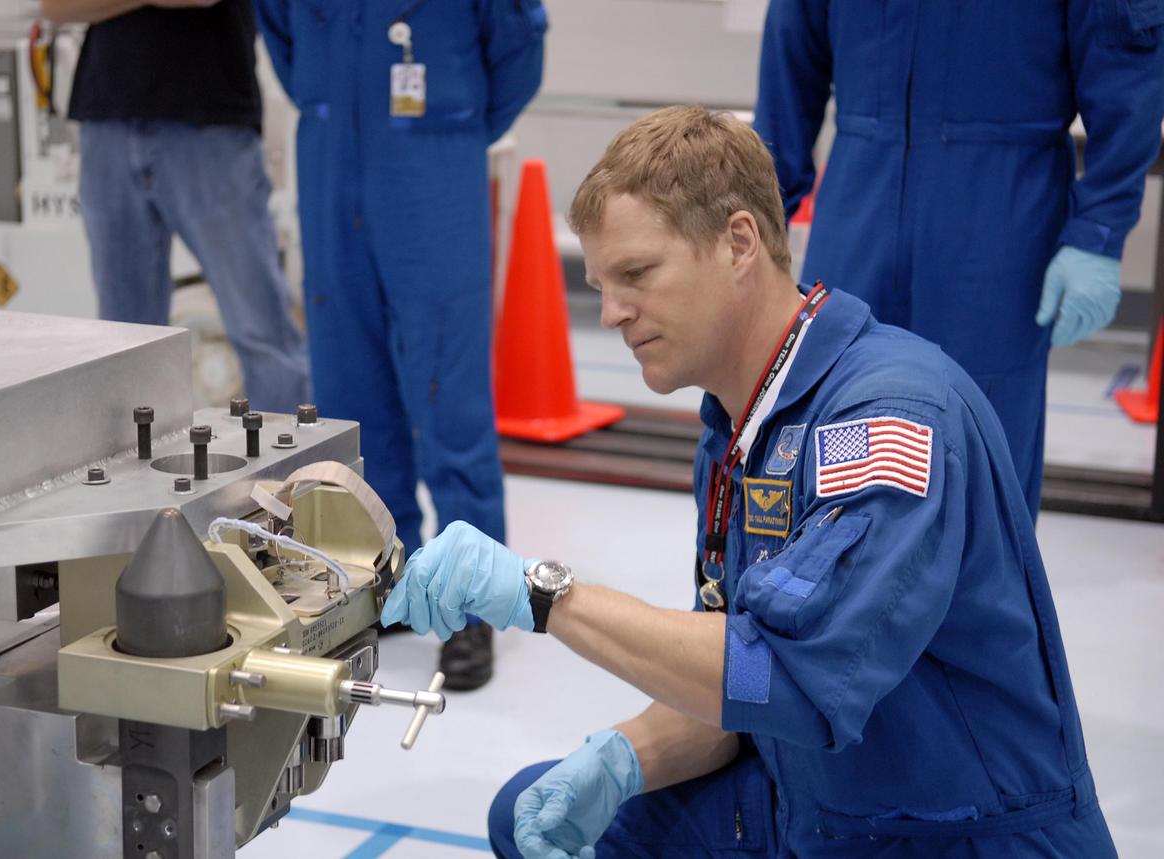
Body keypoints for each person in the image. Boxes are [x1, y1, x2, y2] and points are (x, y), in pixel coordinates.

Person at [382, 107, 1116, 858]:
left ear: (739, 242)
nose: (609, 313)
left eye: (636, 274)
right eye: (602, 283)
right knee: (529, 812)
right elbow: (739, 680)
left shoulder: (889, 419)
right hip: (814, 804)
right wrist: (622, 756)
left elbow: (795, 679)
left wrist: (544, 594)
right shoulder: (742, 423)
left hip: (952, 830)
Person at [754, 0, 1164, 519]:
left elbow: (1126, 72)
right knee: (835, 432)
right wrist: (760, 220)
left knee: (980, 458)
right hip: (858, 207)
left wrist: (1098, 233)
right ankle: (829, 596)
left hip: (999, 227)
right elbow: (790, 56)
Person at [253, 0, 548, 690]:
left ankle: (473, 599)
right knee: (351, 390)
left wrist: (452, 124)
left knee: (450, 393)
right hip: (330, 161)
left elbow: (519, 49)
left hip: (432, 162)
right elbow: (284, 39)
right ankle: (379, 577)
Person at [44, 0, 309, 413]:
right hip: (108, 122)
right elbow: (56, 6)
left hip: (211, 125)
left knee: (261, 329)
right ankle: (128, 471)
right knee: (123, 340)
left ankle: (290, 472)